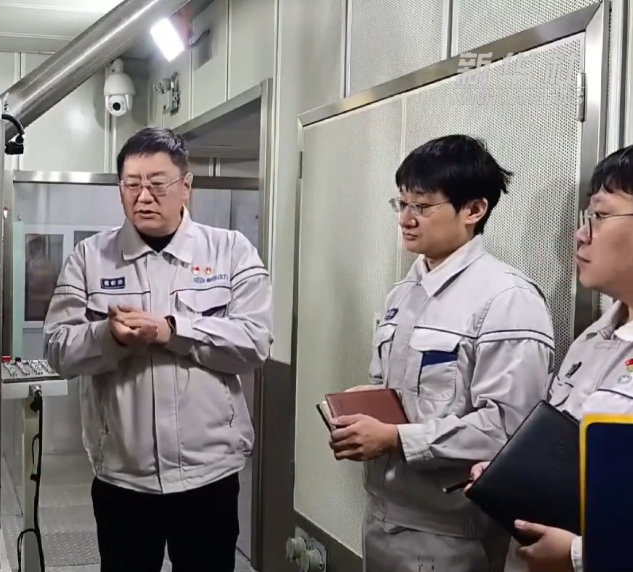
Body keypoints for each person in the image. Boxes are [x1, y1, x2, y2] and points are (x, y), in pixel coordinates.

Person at [43, 126, 272, 572]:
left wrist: (171, 331)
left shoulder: (230, 252)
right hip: (123, 478)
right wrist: (108, 338)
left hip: (209, 475)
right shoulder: (90, 258)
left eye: (157, 184)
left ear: (186, 185)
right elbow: (57, 348)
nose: (143, 197)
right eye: (132, 184)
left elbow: (254, 342)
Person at [328, 134, 555, 572]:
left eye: (422, 206)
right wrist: (365, 406)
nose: (406, 219)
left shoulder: (507, 298)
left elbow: (511, 430)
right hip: (384, 515)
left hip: (454, 533)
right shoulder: (404, 292)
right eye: (401, 203)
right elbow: (393, 389)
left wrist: (395, 438)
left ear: (474, 210)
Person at [468, 145, 633, 572]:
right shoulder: (592, 340)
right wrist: (514, 474)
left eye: (599, 215)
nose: (580, 235)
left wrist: (578, 554)